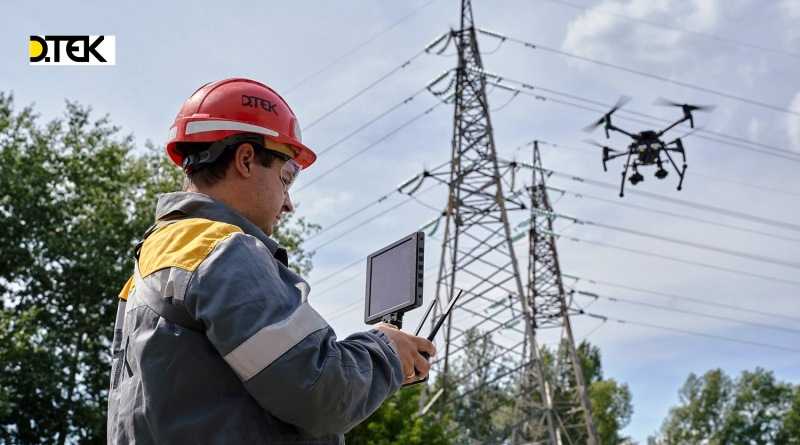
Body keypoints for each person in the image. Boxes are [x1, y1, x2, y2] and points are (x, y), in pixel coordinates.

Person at [106, 78, 436, 444]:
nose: (289, 203)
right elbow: (321, 392)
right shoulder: (222, 251)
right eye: (287, 175)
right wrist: (385, 351)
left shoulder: (158, 256)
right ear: (246, 159)